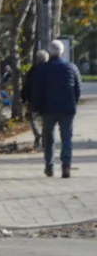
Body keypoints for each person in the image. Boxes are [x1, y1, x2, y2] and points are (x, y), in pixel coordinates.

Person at [31, 39, 82, 178]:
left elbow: (38, 91)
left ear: (49, 52)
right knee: (67, 138)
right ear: (62, 52)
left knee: (48, 138)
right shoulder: (72, 68)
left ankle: (49, 166)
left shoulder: (42, 70)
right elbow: (77, 89)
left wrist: (35, 109)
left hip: (48, 109)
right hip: (67, 109)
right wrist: (73, 103)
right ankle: (66, 165)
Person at [21, 50, 49, 149]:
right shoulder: (49, 70)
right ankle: (45, 136)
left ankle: (38, 134)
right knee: (45, 120)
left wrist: (24, 98)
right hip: (47, 100)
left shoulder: (33, 70)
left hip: (34, 100)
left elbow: (27, 85)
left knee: (33, 120)